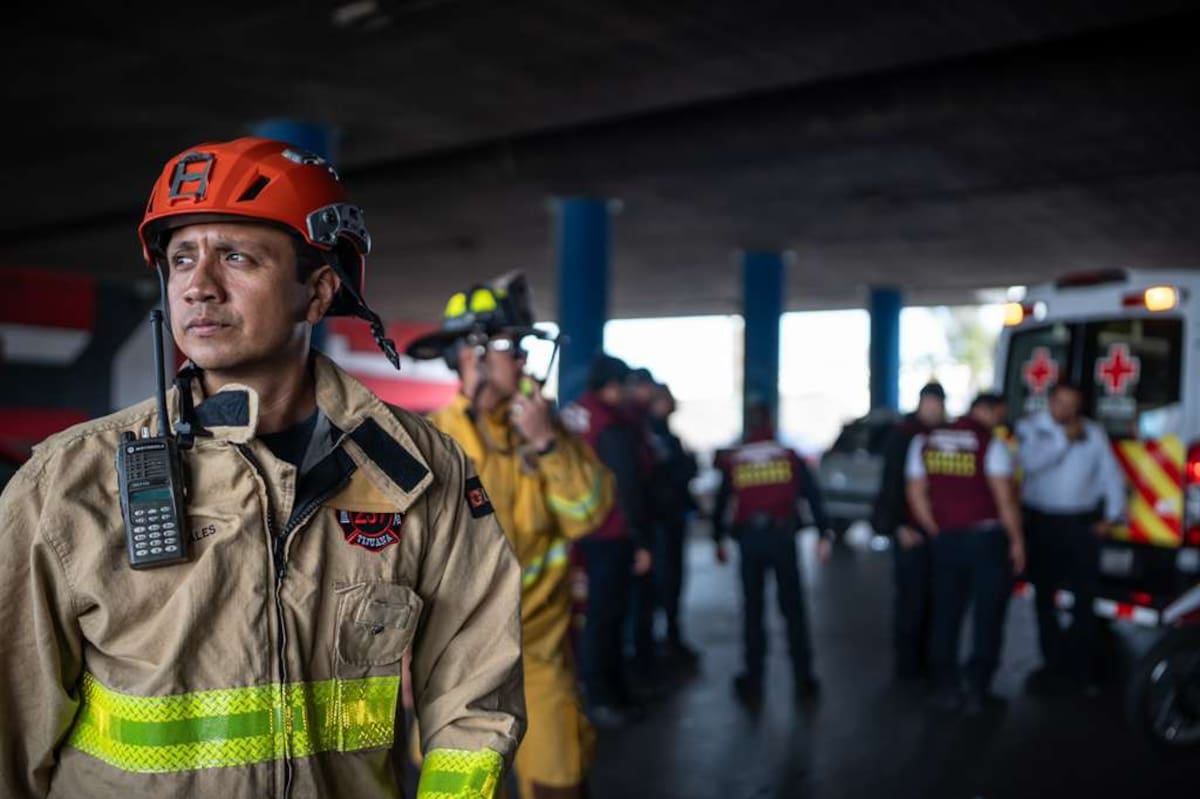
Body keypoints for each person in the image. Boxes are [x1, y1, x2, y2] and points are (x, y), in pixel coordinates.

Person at [0, 137, 525, 799]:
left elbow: (476, 697)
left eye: (237, 256)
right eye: (182, 256)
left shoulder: (420, 470)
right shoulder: (68, 482)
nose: (198, 284)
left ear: (319, 290)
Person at [405, 271, 615, 799]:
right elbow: (396, 561)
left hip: (541, 659)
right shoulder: (429, 443)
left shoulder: (544, 430)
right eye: (510, 346)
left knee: (561, 785)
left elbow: (588, 513)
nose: (522, 360)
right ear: (472, 354)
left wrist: (547, 445)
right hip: (456, 673)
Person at [906, 393, 1026, 714]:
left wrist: (935, 528)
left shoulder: (924, 441)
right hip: (986, 541)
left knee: (945, 613)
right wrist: (1017, 542)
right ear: (984, 411)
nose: (999, 422)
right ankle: (977, 689)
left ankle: (946, 687)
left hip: (945, 540)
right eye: (998, 416)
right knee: (987, 615)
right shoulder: (991, 444)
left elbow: (916, 492)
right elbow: (1005, 501)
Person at [712, 402, 833, 708]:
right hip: (783, 538)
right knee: (792, 608)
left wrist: (719, 538)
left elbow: (723, 501)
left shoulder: (736, 459)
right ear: (771, 422)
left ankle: (753, 679)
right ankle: (803, 678)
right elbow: (811, 494)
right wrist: (823, 532)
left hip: (750, 540)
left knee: (753, 610)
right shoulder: (788, 456)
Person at [561, 355, 654, 729]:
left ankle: (601, 692)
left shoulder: (571, 415)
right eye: (621, 385)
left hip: (578, 534)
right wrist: (641, 540)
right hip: (610, 534)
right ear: (610, 386)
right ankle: (603, 698)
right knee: (607, 620)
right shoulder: (611, 425)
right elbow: (626, 486)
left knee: (591, 619)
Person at [1016, 381, 1125, 695]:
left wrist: (1112, 516)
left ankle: (1080, 668)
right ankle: (1052, 663)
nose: (1068, 410)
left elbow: (1110, 475)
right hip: (1042, 522)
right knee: (1044, 597)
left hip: (1081, 525)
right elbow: (1030, 463)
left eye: (1074, 404)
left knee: (1084, 598)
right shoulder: (1031, 428)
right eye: (1062, 403)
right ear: (1050, 401)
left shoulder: (1093, 432)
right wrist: (1064, 440)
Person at [872, 382, 947, 681]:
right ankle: (907, 668)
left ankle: (928, 662)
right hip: (909, 532)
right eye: (927, 404)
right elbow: (890, 486)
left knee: (934, 601)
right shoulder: (903, 436)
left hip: (937, 531)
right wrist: (899, 526)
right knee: (910, 602)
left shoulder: (944, 436)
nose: (932, 409)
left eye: (936, 404)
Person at [646, 383, 700, 665]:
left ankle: (670, 640)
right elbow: (669, 475)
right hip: (662, 522)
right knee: (664, 584)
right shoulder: (651, 434)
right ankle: (663, 645)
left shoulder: (665, 435)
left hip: (671, 519)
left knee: (672, 583)